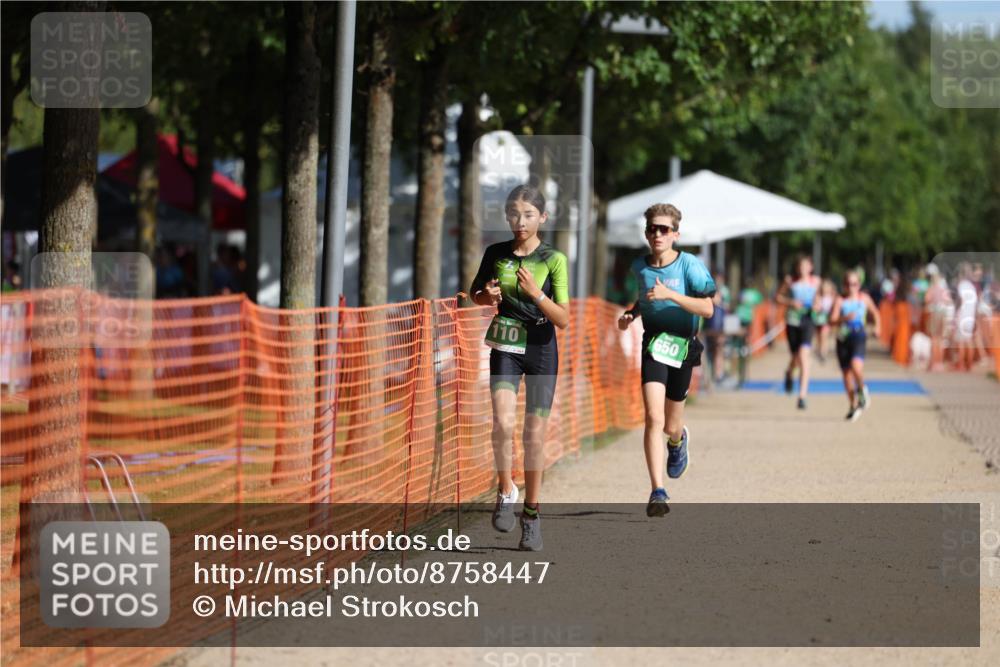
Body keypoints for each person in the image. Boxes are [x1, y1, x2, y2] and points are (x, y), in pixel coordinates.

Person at [470, 184, 570, 551]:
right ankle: (505, 489)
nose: (520, 221)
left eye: (528, 214)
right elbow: (475, 293)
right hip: (507, 344)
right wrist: (487, 297)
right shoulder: (496, 253)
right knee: (502, 423)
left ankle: (532, 515)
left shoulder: (553, 258)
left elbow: (563, 319)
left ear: (542, 217)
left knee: (534, 436)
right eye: (514, 213)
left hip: (542, 346)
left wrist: (537, 295)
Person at [618, 203, 715, 517]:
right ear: (646, 233)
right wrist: (632, 314)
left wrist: (671, 296)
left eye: (664, 229)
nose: (657, 234)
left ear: (675, 234)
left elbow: (708, 309)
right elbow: (646, 297)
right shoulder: (640, 267)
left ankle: (678, 439)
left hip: (683, 347)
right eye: (652, 228)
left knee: (671, 424)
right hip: (654, 346)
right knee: (653, 418)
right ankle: (657, 491)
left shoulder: (690, 265)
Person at [830, 270, 881, 422]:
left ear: (858, 285)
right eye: (847, 284)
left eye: (854, 284)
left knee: (855, 366)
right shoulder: (840, 300)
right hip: (843, 338)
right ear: (844, 285)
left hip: (858, 335)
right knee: (846, 374)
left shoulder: (864, 298)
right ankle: (853, 405)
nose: (851, 287)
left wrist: (878, 327)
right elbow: (831, 320)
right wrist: (844, 318)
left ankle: (862, 390)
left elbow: (875, 313)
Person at [776, 255, 820, 409]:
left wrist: (817, 306)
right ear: (797, 268)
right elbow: (778, 297)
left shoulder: (816, 282)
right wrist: (791, 302)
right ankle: (789, 372)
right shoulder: (790, 281)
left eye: (806, 266)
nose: (803, 269)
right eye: (800, 266)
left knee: (803, 356)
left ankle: (802, 396)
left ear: (811, 267)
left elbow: (819, 301)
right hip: (792, 321)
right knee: (795, 357)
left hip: (808, 321)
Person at [814, 278, 837, 363]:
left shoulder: (832, 297)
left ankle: (823, 352)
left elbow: (835, 307)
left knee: (824, 335)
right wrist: (817, 308)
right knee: (819, 336)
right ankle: (818, 349)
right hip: (819, 318)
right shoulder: (818, 296)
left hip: (827, 319)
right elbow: (815, 307)